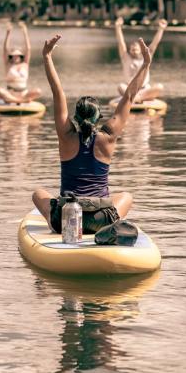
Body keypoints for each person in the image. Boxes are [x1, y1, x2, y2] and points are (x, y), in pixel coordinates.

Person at [32, 34, 152, 233]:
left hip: (66, 216)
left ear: (76, 117)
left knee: (38, 194)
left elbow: (57, 92)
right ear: (99, 117)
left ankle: (57, 223)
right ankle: (107, 230)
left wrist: (47, 56)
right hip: (101, 219)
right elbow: (130, 96)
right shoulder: (108, 137)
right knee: (127, 197)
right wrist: (146, 64)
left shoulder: (66, 135)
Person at [115, 17, 167, 102]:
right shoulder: (125, 57)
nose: (134, 51)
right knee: (121, 86)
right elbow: (121, 42)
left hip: (145, 90)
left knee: (159, 87)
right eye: (132, 49)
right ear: (129, 50)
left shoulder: (146, 57)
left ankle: (136, 99)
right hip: (130, 90)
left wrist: (161, 28)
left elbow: (155, 43)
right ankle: (137, 98)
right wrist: (118, 27)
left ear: (140, 50)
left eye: (136, 49)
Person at [0, 21, 42, 104]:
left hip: (24, 93)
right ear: (11, 56)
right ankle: (18, 101)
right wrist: (8, 33)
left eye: (18, 55)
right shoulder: (8, 65)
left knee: (38, 91)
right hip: (11, 93)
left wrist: (25, 32)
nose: (16, 57)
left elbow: (28, 49)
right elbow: (5, 49)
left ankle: (19, 100)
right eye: (14, 55)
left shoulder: (25, 64)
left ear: (21, 57)